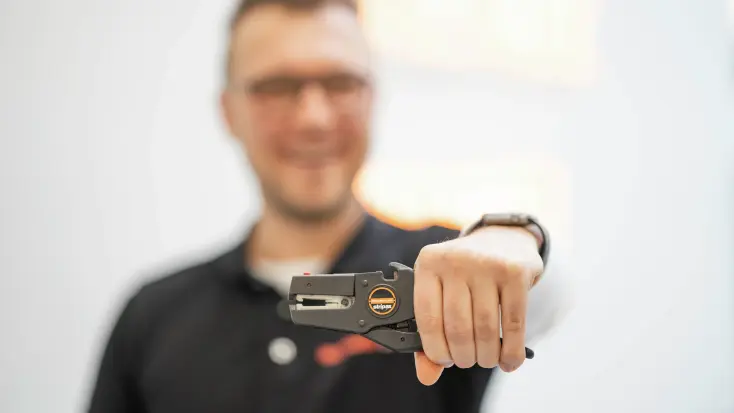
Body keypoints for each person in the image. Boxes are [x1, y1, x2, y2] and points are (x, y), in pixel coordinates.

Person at [86, 0, 573, 412]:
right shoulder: (153, 317)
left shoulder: (436, 267)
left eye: (340, 82)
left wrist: (515, 237)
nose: (314, 118)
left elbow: (543, 298)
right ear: (229, 113)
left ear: (372, 98)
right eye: (277, 87)